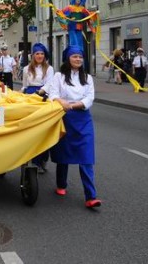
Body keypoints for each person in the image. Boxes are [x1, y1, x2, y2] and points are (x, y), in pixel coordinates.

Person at [47, 45, 101, 209]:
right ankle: (61, 184)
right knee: (63, 153)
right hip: (64, 117)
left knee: (86, 157)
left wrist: (74, 105)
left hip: (83, 118)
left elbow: (90, 97)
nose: (78, 59)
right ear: (67, 59)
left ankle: (91, 196)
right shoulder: (59, 76)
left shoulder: (88, 78)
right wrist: (62, 102)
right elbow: (53, 94)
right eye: (74, 56)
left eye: (80, 57)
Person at [21, 43, 55, 173]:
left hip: (42, 97)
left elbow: (50, 84)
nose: (39, 56)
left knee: (43, 130)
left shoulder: (49, 69)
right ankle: (32, 160)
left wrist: (41, 92)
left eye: (42, 54)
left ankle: (43, 159)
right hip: (30, 98)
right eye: (37, 54)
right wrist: (20, 93)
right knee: (31, 130)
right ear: (33, 55)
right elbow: (25, 85)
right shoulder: (26, 69)